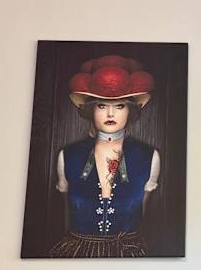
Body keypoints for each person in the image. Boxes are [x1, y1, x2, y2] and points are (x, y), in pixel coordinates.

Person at [49, 55, 160, 257]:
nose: (110, 114)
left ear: (130, 111)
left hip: (129, 256)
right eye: (101, 105)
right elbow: (66, 215)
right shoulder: (68, 156)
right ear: (91, 110)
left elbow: (141, 218)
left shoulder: (148, 157)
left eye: (119, 106)